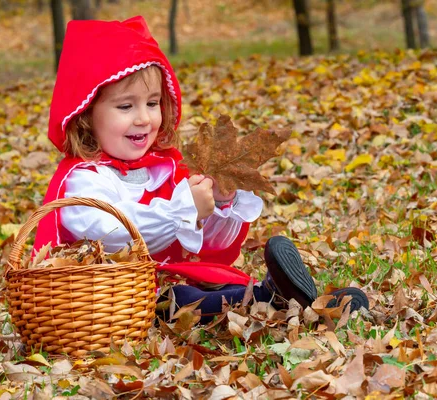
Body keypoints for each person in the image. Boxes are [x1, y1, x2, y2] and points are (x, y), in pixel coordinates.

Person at [33, 16, 368, 322]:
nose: (143, 118)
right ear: (85, 114)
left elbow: (200, 246)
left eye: (152, 103)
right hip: (109, 300)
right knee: (179, 300)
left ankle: (309, 302)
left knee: (206, 285)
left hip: (173, 279)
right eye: (125, 106)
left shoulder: (164, 169)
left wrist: (215, 206)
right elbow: (112, 234)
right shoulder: (82, 181)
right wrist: (182, 210)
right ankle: (270, 298)